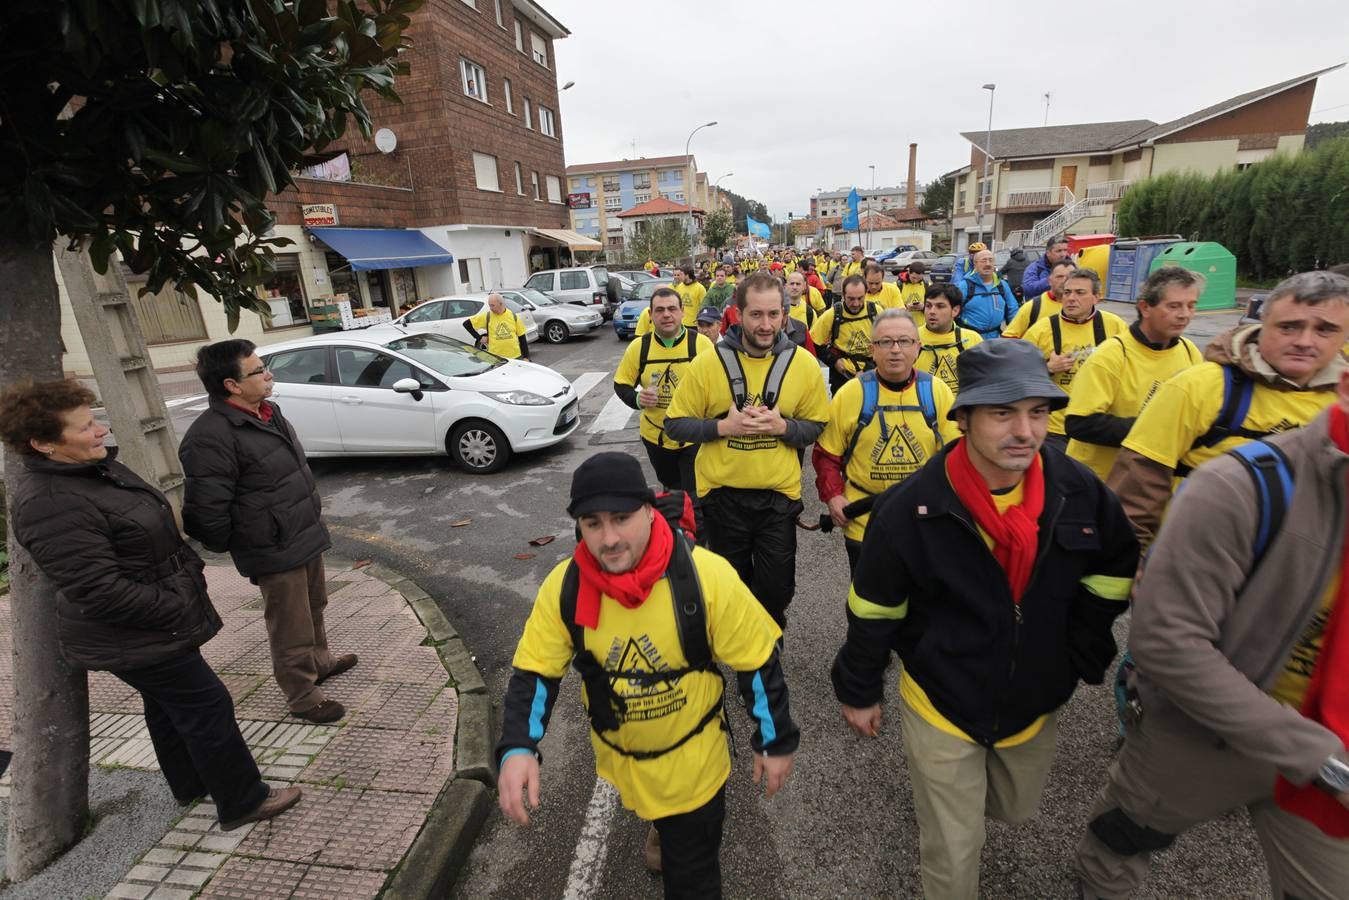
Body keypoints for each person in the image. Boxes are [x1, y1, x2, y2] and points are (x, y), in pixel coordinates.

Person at [832, 339, 1139, 900]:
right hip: (942, 697)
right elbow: (874, 608)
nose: (1024, 431)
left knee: (1014, 809)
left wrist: (1083, 649)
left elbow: (1114, 571)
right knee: (954, 846)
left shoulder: (1079, 493)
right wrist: (859, 688)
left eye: (1038, 412)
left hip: (1034, 696)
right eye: (1003, 413)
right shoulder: (909, 509)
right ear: (965, 418)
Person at [1074, 376, 1349, 900]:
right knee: (1121, 843)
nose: (1305, 343)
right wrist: (1131, 561)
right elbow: (1127, 461)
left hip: (1333, 744)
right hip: (1209, 729)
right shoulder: (1240, 479)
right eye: (1292, 326)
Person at [2, 379, 302, 830]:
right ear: (44, 444)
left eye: (95, 419)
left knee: (168, 706)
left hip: (150, 623)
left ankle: (192, 783)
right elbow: (98, 589)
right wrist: (175, 603)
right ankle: (243, 801)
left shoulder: (89, 470)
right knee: (207, 706)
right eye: (85, 427)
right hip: (138, 628)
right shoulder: (51, 503)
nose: (100, 430)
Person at [496, 452, 798, 898]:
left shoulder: (707, 577)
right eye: (592, 523)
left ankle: (673, 833)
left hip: (693, 762)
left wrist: (774, 740)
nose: (609, 538)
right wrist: (518, 746)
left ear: (649, 509)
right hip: (621, 756)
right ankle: (661, 823)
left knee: (692, 876)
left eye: (622, 518)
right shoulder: (567, 587)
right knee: (654, 811)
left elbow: (757, 660)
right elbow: (536, 671)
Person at [179, 340, 357, 724]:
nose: (268, 374)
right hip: (273, 546)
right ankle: (302, 695)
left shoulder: (267, 411)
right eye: (258, 371)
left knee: (314, 607)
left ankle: (320, 662)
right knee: (290, 623)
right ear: (231, 385)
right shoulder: (210, 435)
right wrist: (248, 540)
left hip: (303, 533)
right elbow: (205, 512)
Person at [1108, 270, 1349, 547]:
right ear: (1263, 324)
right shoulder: (1200, 386)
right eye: (1288, 327)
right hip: (1196, 559)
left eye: (1325, 330)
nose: (1305, 341)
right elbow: (1138, 484)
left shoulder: (1343, 401)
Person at [665, 272, 830, 630]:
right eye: (756, 314)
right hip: (723, 500)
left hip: (777, 500)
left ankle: (767, 652)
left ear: (785, 315)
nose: (766, 324)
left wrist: (783, 427)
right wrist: (723, 427)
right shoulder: (708, 363)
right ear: (737, 315)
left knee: (776, 591)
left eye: (774, 314)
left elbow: (817, 426)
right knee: (732, 590)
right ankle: (747, 665)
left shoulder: (803, 364)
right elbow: (675, 424)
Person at [812, 310, 960, 571]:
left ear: (918, 347)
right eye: (885, 342)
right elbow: (826, 454)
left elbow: (958, 458)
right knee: (868, 608)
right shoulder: (850, 394)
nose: (895, 350)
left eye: (904, 341)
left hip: (923, 521)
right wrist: (834, 497)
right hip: (863, 523)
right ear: (872, 349)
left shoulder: (938, 392)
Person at [1065, 267, 1203, 480]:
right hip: (1100, 483)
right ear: (1145, 308)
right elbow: (1079, 424)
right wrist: (1154, 428)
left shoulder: (1189, 351)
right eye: (1174, 306)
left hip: (1153, 481)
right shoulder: (1111, 355)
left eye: (1191, 306)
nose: (1184, 314)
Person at [613, 287, 715, 508]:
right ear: (650, 315)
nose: (666, 314)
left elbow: (720, 385)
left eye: (671, 309)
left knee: (693, 497)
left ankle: (694, 537)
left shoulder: (701, 345)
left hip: (694, 436)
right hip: (655, 436)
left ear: (682, 313)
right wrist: (638, 399)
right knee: (670, 490)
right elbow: (621, 384)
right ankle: (674, 535)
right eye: (660, 310)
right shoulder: (639, 347)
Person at [1019, 268, 1127, 452]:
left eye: (1080, 293)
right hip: (1054, 430)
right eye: (1067, 292)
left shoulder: (1116, 326)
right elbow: (1015, 375)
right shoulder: (1041, 330)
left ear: (1096, 297)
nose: (1071, 298)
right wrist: (1047, 368)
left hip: (1098, 426)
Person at [811, 275, 881, 394]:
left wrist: (867, 371)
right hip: (842, 375)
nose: (856, 303)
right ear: (843, 295)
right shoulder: (832, 315)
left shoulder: (876, 312)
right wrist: (834, 361)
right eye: (851, 299)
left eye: (860, 298)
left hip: (873, 372)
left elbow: (887, 344)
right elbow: (815, 344)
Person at [916, 283, 983, 395]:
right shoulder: (911, 338)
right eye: (928, 305)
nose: (932, 311)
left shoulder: (972, 339)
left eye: (940, 306)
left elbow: (983, 381)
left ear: (955, 311)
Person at [957, 248, 1019, 340]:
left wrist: (1015, 333)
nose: (988, 264)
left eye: (991, 260)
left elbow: (1012, 309)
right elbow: (953, 311)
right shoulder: (965, 286)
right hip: (970, 339)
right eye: (983, 260)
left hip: (995, 339)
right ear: (975, 264)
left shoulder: (1002, 285)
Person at [1001, 258, 1072, 338]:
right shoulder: (1033, 307)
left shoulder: (1085, 308)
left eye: (1070, 277)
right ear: (1049, 280)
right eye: (1059, 277)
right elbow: (1008, 339)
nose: (1064, 281)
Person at [464, 292, 529, 360]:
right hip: (495, 357)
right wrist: (479, 338)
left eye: (492, 305)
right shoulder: (487, 316)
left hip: (515, 357)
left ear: (501, 304)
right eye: (489, 305)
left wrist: (526, 357)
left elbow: (522, 338)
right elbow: (466, 324)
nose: (490, 308)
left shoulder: (513, 316)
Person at [1020, 235, 1072, 299]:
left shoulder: (1072, 268)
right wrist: (1051, 279)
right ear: (1048, 253)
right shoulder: (1035, 268)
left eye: (1065, 250)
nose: (1063, 254)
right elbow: (1028, 290)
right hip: (1041, 307)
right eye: (1059, 251)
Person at [899, 261, 928, 326]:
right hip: (903, 326)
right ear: (909, 272)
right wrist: (906, 307)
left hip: (922, 326)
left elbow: (933, 307)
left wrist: (923, 307)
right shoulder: (897, 285)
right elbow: (891, 308)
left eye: (919, 278)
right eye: (913, 278)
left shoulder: (927, 285)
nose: (915, 281)